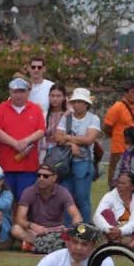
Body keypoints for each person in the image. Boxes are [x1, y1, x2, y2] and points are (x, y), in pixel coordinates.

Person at [0, 77, 46, 201]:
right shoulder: (1, 108)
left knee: (25, 201)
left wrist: (26, 141)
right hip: (5, 166)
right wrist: (15, 143)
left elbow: (41, 130)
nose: (18, 95)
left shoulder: (36, 109)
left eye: (22, 91)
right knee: (6, 202)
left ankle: (21, 221)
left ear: (28, 92)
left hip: (29, 166)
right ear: (10, 92)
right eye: (15, 91)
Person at [54, 87, 101, 222]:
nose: (76, 104)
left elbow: (89, 139)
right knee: (67, 198)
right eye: (75, 101)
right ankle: (68, 229)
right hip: (66, 162)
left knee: (82, 198)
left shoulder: (93, 119)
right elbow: (58, 137)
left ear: (86, 104)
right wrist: (72, 144)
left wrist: (67, 138)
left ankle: (85, 229)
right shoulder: (67, 116)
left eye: (80, 101)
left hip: (84, 162)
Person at [11, 164, 83, 252]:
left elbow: (76, 215)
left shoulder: (63, 192)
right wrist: (33, 226)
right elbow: (19, 218)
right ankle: (53, 246)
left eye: (45, 176)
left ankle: (34, 247)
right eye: (38, 175)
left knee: (74, 235)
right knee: (15, 229)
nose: (41, 178)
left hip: (56, 231)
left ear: (54, 178)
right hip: (35, 232)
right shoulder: (28, 192)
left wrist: (73, 228)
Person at [104, 81, 134, 186]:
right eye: (133, 92)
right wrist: (117, 137)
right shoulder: (117, 107)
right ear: (125, 93)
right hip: (119, 149)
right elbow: (107, 127)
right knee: (115, 178)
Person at [94, 173, 134, 248]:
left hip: (130, 233)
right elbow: (97, 216)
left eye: (123, 183)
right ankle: (116, 241)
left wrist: (120, 231)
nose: (119, 185)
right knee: (106, 212)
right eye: (118, 182)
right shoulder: (109, 196)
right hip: (112, 230)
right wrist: (110, 229)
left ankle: (131, 245)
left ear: (133, 187)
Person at [40, 83, 69, 163]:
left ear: (64, 98)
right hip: (44, 153)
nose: (55, 99)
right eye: (52, 96)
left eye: (58, 96)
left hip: (63, 153)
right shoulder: (44, 115)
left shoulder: (69, 115)